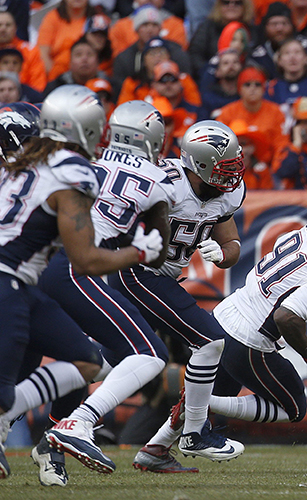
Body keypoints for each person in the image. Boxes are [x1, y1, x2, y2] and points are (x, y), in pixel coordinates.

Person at [137, 202, 307, 461]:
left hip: (226, 313)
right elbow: (287, 317)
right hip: (249, 339)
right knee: (294, 407)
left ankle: (154, 450)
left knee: (211, 396)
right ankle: (199, 405)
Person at [0, 86, 164, 481]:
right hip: (9, 284)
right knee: (7, 390)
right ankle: (70, 426)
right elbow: (86, 259)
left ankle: (37, 430)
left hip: (24, 285)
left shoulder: (21, 167)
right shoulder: (70, 171)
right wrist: (139, 252)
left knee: (86, 359)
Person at [100, 120, 248, 473]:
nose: (233, 174)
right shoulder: (164, 182)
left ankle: (22, 410)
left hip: (161, 279)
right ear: (199, 164)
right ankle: (195, 433)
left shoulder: (225, 194)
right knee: (210, 340)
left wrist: (221, 254)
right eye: (224, 167)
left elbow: (232, 244)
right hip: (137, 271)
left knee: (99, 361)